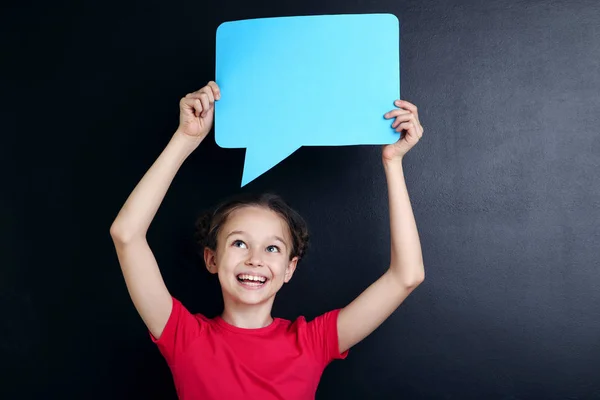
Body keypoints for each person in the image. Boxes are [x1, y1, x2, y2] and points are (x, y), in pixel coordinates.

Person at [110, 81, 425, 399]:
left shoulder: (313, 342)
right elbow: (126, 235)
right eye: (239, 243)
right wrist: (186, 138)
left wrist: (393, 162)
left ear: (290, 268)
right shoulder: (183, 336)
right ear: (211, 258)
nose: (255, 259)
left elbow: (406, 276)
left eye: (272, 247)